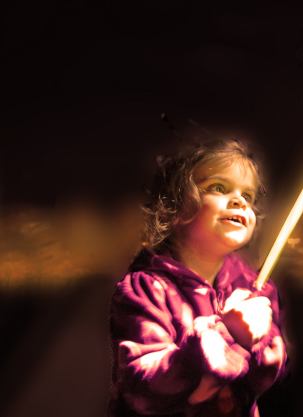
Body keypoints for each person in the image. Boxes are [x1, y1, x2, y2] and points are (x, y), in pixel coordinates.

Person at [107, 140, 286, 417]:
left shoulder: (255, 288)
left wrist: (262, 344)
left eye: (248, 196)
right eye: (219, 187)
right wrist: (227, 334)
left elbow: (260, 380)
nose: (240, 201)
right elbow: (143, 388)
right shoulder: (146, 288)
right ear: (174, 207)